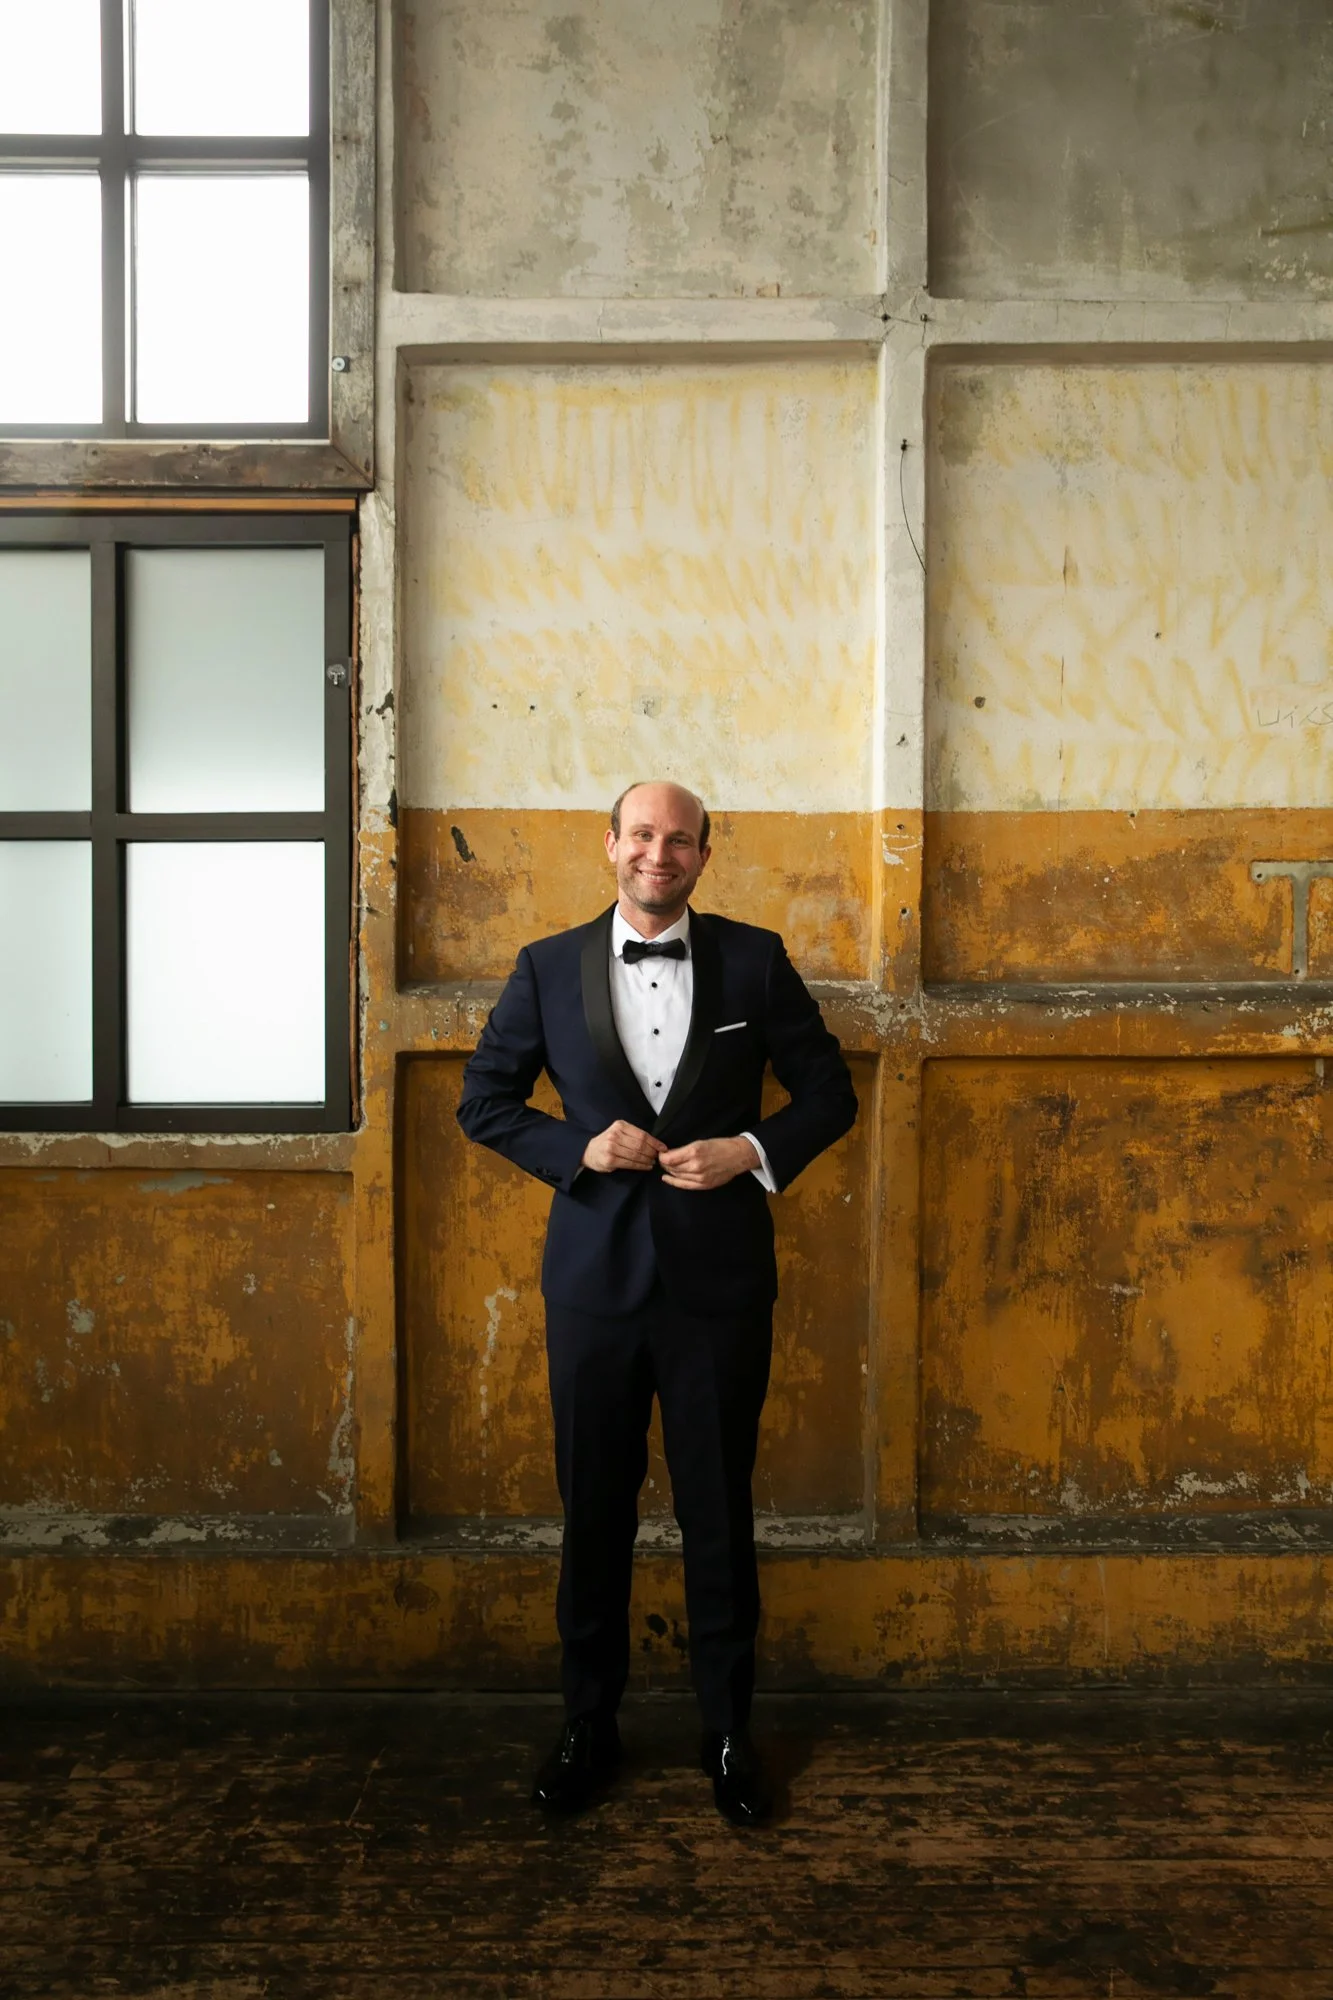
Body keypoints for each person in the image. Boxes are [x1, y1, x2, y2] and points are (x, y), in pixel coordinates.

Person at [456, 780, 857, 1824]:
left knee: (717, 1511)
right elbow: (483, 1101)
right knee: (593, 1510)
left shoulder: (755, 960)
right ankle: (588, 1723)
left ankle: (727, 1732)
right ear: (610, 845)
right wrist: (576, 1149)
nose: (657, 853)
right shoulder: (546, 966)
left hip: (718, 1287)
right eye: (641, 834)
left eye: (679, 840)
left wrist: (750, 1149)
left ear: (703, 857)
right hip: (592, 1288)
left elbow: (829, 1093)